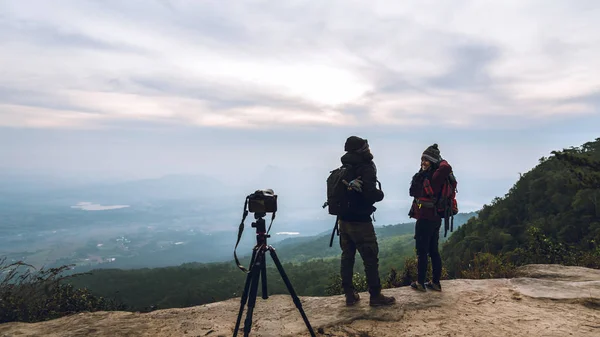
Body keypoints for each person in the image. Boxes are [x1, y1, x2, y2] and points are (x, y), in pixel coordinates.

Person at [337, 136, 396, 307]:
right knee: (370, 258)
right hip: (361, 221)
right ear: (361, 150)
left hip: (343, 221)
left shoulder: (345, 166)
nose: (369, 148)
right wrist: (380, 194)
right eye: (366, 146)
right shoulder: (365, 167)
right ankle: (375, 296)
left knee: (347, 257)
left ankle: (349, 295)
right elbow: (370, 194)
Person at [408, 143, 452, 292]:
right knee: (433, 251)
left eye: (426, 160)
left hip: (426, 219)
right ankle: (435, 283)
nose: (423, 163)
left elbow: (446, 167)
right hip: (434, 219)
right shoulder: (429, 175)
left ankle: (420, 283)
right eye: (422, 160)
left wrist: (439, 159)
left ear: (433, 161)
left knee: (422, 252)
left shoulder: (435, 176)